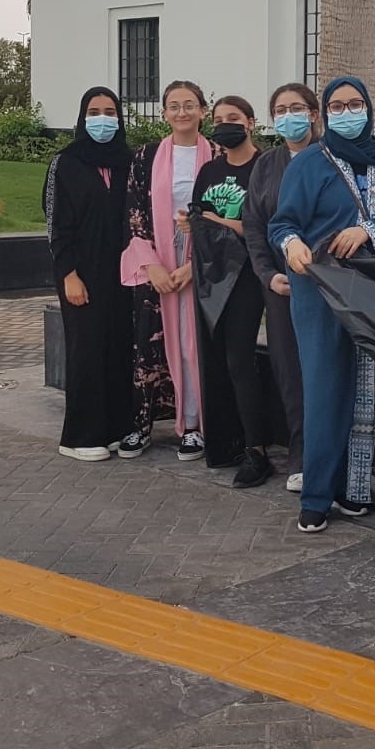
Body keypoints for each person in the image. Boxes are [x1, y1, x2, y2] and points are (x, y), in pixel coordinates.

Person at [269, 76, 375, 534]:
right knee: (325, 387)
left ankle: (358, 488)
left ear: (369, 107)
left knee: (373, 385)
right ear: (325, 114)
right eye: (338, 106)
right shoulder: (311, 161)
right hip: (322, 291)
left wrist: (370, 230)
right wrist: (292, 245)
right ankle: (317, 495)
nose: (348, 113)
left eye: (355, 104)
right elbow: (282, 223)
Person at [120, 80, 216, 462]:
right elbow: (134, 213)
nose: (182, 112)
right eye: (174, 106)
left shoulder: (217, 156)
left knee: (194, 347)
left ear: (203, 111)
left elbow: (226, 215)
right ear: (164, 113)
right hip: (156, 264)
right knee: (148, 346)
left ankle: (193, 426)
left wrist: (195, 265)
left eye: (189, 105)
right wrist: (153, 266)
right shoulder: (145, 157)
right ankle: (141, 425)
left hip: (202, 266)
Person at [186, 95, 274, 485]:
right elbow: (198, 214)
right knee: (215, 359)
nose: (225, 125)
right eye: (219, 119)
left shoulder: (265, 167)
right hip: (212, 274)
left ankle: (257, 450)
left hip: (248, 276)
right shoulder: (209, 170)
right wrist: (195, 221)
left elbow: (265, 225)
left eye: (234, 118)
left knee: (240, 359)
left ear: (251, 123)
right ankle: (225, 441)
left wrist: (220, 222)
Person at [44, 86, 135, 462]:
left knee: (118, 347)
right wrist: (68, 274)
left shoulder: (129, 161)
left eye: (110, 112)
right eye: (94, 113)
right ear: (83, 118)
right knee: (86, 350)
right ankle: (81, 437)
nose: (103, 120)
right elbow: (56, 225)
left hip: (123, 274)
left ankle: (116, 429)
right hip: (81, 273)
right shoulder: (65, 163)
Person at [242, 83, 320, 494]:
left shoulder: (330, 157)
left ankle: (328, 458)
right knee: (289, 372)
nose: (290, 116)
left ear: (313, 113)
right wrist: (267, 273)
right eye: (281, 110)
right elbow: (254, 225)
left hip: (324, 284)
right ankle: (301, 457)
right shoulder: (267, 165)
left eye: (297, 108)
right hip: (280, 285)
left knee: (323, 371)